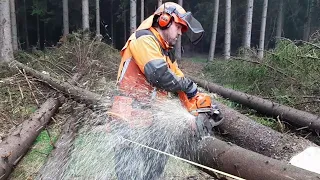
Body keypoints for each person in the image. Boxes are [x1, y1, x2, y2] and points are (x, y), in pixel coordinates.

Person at [110, 2, 205, 180]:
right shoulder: (143, 39)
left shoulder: (163, 51)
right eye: (178, 27)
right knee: (129, 175)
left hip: (150, 120)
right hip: (128, 117)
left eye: (183, 29)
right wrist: (187, 87)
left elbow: (179, 78)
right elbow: (159, 75)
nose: (179, 33)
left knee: (154, 172)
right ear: (164, 20)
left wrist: (196, 106)